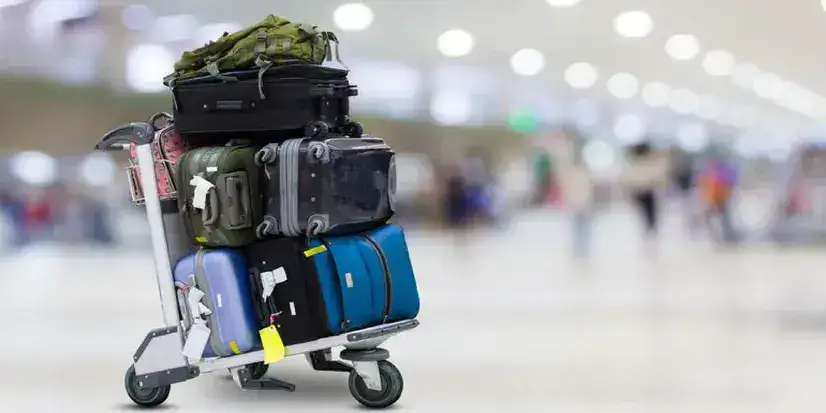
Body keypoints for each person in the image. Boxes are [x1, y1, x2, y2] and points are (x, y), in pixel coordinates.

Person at [622, 142, 669, 250]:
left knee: (647, 217)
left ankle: (649, 238)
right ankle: (649, 239)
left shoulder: (636, 164)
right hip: (645, 193)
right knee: (649, 217)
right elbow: (655, 178)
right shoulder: (644, 164)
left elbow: (632, 180)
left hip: (643, 193)